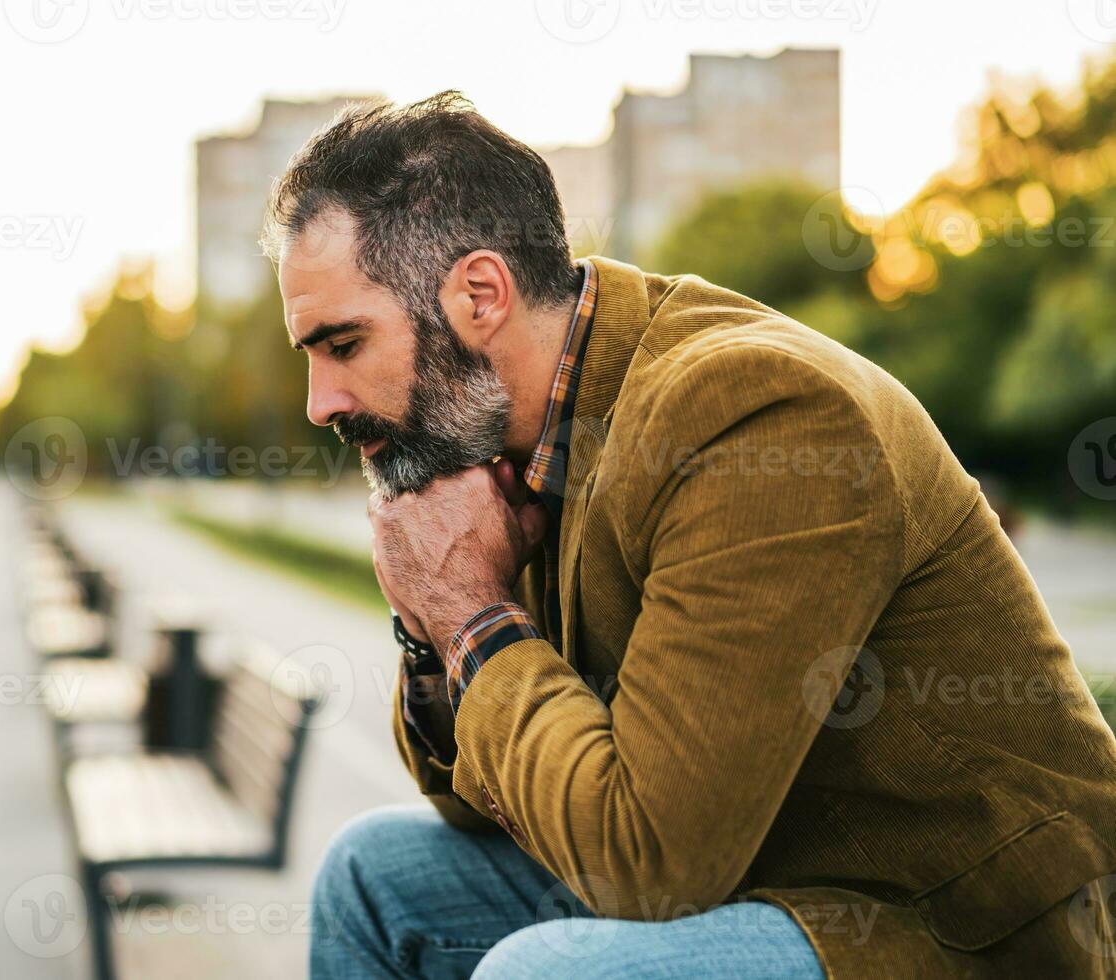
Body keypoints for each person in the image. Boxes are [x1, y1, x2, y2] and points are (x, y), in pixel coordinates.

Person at [261, 91, 1116, 979]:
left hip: (954, 926)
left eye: (344, 344)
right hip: (762, 878)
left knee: (550, 973)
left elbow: (650, 865)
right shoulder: (516, 436)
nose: (320, 403)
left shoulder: (755, 414)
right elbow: (475, 803)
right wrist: (435, 627)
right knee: (371, 877)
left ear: (480, 294)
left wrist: (471, 612)